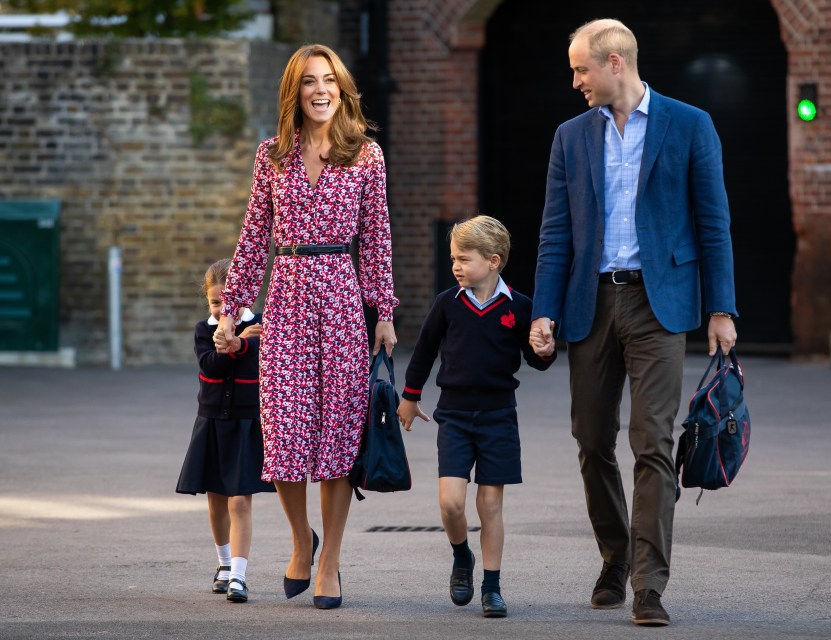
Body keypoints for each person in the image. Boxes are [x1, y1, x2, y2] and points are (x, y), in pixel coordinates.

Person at [530, 19, 738, 627]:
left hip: (659, 303)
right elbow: (555, 233)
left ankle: (648, 583)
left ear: (615, 62)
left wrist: (721, 309)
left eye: (581, 69)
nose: (575, 82)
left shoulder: (691, 124)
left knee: (652, 440)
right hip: (589, 304)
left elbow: (713, 222)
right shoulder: (570, 137)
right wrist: (543, 310)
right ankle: (614, 555)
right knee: (591, 440)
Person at [215, 44, 398, 610]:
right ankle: (301, 542)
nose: (321, 91)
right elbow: (251, 241)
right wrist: (231, 310)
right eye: (309, 82)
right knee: (287, 434)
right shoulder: (271, 155)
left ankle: (332, 562)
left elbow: (376, 239)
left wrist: (384, 311)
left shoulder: (366, 155)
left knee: (337, 441)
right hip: (288, 300)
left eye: (330, 81)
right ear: (293, 92)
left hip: (341, 300)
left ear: (342, 90)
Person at [398, 215, 556, 619]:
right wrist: (410, 398)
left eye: (463, 259)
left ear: (494, 261)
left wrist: (544, 349)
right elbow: (424, 353)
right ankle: (461, 555)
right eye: (453, 258)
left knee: (489, 505)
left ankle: (492, 586)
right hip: (453, 414)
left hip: (499, 416)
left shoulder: (519, 307)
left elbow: (537, 362)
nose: (455, 266)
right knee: (451, 504)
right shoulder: (446, 304)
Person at [176, 258, 276, 604]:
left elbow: (261, 356)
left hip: (247, 424)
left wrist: (242, 343)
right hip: (212, 422)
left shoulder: (261, 325)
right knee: (216, 501)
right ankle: (222, 564)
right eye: (215, 302)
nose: (221, 309)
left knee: (240, 501)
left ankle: (239, 574)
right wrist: (235, 345)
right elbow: (210, 367)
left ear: (244, 297)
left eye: (228, 302)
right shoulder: (205, 331)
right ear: (207, 301)